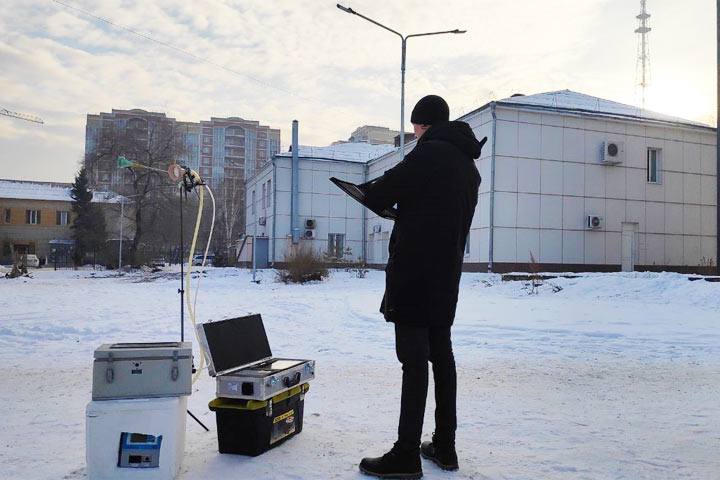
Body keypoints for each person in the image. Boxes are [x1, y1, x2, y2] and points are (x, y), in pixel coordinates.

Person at [358, 95, 484, 479]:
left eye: (415, 126)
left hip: (414, 275)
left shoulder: (428, 153)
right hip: (446, 276)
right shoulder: (468, 167)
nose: (413, 133)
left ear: (423, 124)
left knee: (413, 363)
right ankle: (445, 446)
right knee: (441, 357)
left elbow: (380, 193)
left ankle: (406, 454)